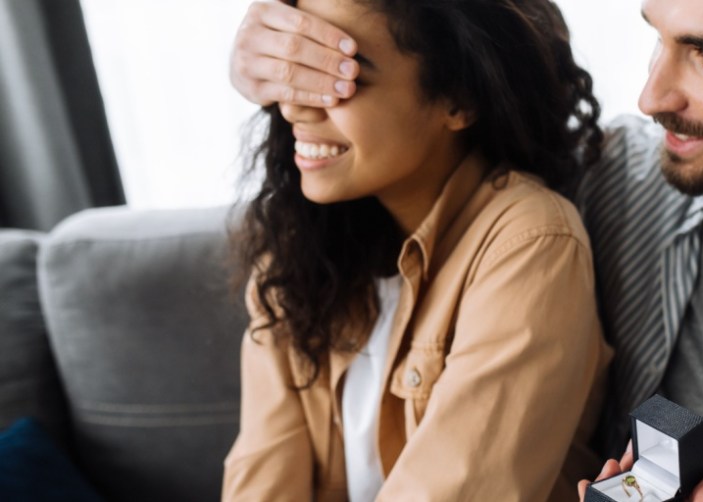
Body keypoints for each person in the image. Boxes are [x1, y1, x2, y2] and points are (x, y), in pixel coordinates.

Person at [228, 0, 703, 500]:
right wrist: (286, 61)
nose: (652, 94)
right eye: (657, 38)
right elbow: (478, 50)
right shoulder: (609, 172)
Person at [222, 0, 612, 500]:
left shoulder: (530, 243)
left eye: (344, 78)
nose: (296, 106)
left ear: (458, 98)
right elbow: (263, 479)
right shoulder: (295, 254)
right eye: (296, 70)